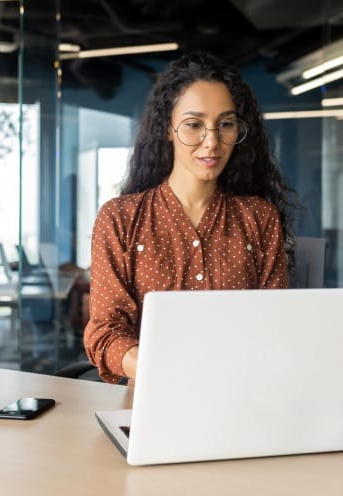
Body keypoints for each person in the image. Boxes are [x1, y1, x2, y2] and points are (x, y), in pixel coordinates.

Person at [83, 51, 296, 383]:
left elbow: (276, 325)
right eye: (194, 125)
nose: (211, 142)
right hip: (152, 402)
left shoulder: (260, 218)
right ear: (167, 128)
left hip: (242, 398)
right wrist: (166, 371)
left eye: (225, 124)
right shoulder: (120, 219)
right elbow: (105, 332)